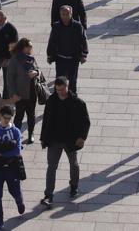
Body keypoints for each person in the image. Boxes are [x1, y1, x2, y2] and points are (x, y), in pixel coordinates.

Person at [39, 77, 91, 206]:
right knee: (51, 167)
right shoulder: (51, 101)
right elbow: (46, 120)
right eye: (57, 90)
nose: (59, 92)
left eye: (62, 89)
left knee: (73, 165)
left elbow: (86, 122)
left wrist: (82, 137)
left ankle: (74, 186)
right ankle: (48, 195)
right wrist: (43, 138)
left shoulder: (78, 103)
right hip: (54, 140)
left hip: (70, 140)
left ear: (67, 86)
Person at [0, 107, 26, 231]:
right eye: (5, 118)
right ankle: (0, 220)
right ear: (0, 116)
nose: (7, 120)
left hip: (12, 167)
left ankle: (19, 200)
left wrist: (1, 152)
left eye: (9, 118)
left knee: (14, 189)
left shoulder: (15, 131)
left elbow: (17, 150)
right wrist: (6, 149)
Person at [2, 38, 42, 143]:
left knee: (31, 114)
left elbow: (39, 70)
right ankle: (16, 135)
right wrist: (13, 94)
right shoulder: (14, 61)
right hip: (19, 94)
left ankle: (30, 134)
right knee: (19, 115)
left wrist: (36, 73)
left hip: (32, 92)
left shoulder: (32, 58)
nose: (31, 48)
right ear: (23, 48)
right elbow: (9, 79)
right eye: (29, 46)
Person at [46, 5, 88, 93]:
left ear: (71, 14)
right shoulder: (56, 26)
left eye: (67, 14)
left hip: (73, 58)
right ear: (60, 15)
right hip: (60, 58)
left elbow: (83, 40)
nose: (65, 16)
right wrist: (50, 55)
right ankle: (57, 98)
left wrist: (84, 54)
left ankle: (73, 99)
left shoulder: (77, 26)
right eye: (63, 14)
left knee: (72, 81)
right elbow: (52, 42)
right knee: (59, 80)